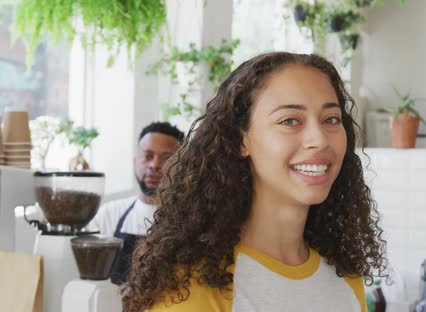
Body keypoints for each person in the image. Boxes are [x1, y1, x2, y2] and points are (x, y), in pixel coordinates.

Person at [122, 52, 388, 312]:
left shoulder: (345, 278)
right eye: (290, 120)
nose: (319, 139)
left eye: (331, 119)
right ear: (241, 140)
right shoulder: (191, 293)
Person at [88, 121, 184, 285]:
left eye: (166, 158)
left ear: (181, 166)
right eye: (148, 156)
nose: (154, 165)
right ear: (135, 160)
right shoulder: (108, 215)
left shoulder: (189, 220)